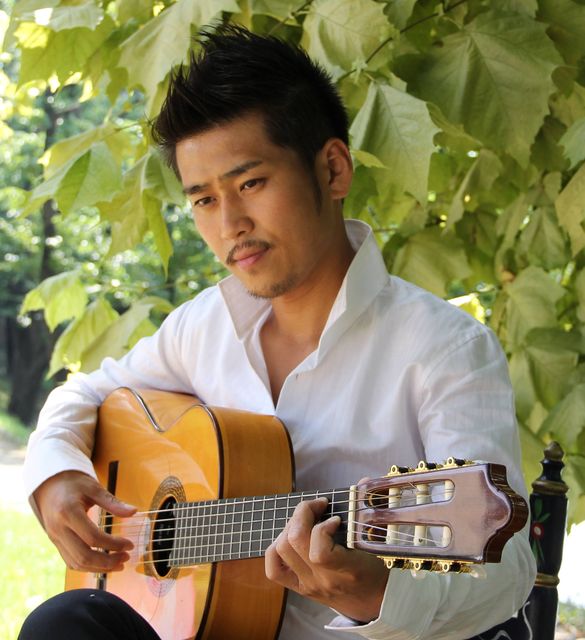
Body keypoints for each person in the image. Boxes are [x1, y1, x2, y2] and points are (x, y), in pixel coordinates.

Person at [19, 25, 535, 640]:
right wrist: (55, 474)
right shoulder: (203, 326)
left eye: (250, 184)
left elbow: (506, 570)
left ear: (333, 169)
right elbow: (83, 394)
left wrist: (378, 593)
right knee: (66, 621)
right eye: (204, 200)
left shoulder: (445, 349)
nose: (230, 224)